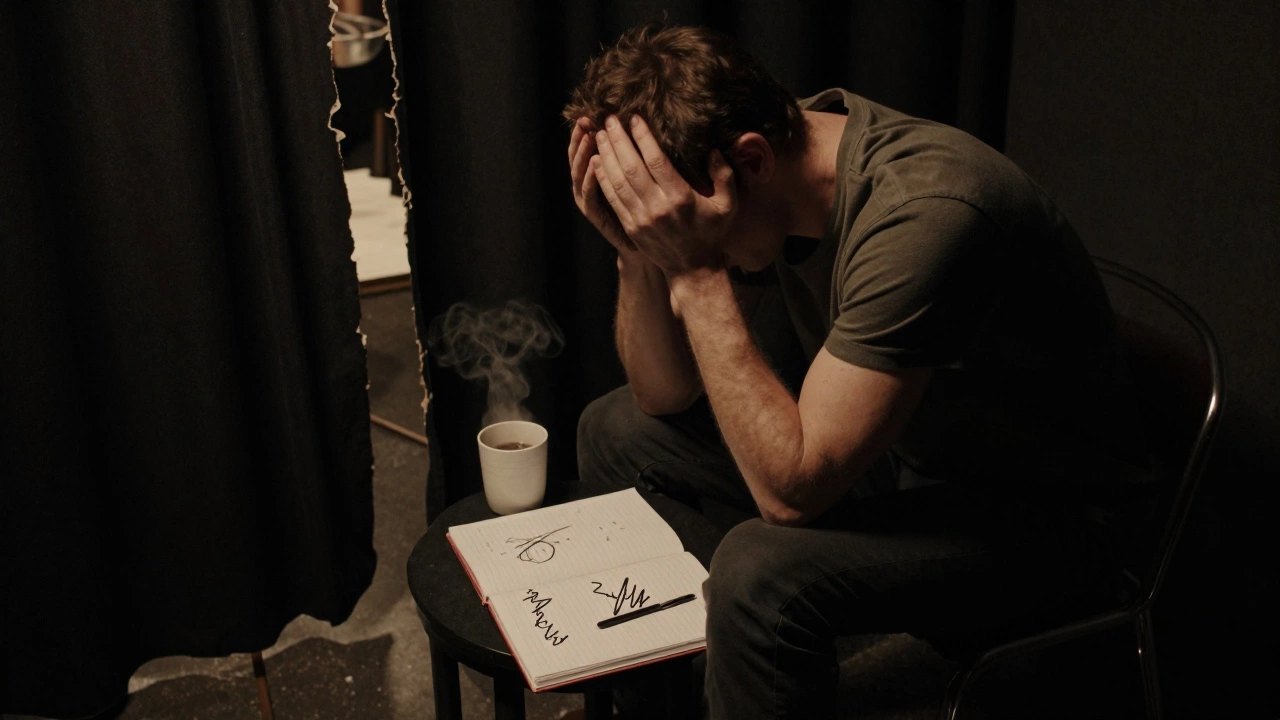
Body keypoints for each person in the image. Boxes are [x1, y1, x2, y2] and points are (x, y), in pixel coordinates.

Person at [564, 22, 1150, 719]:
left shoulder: (925, 214)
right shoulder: (771, 154)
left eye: (675, 222)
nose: (672, 234)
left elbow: (792, 495)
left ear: (748, 161)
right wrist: (638, 253)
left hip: (1046, 525)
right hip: (910, 455)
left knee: (758, 574)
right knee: (614, 430)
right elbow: (662, 395)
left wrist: (694, 272)